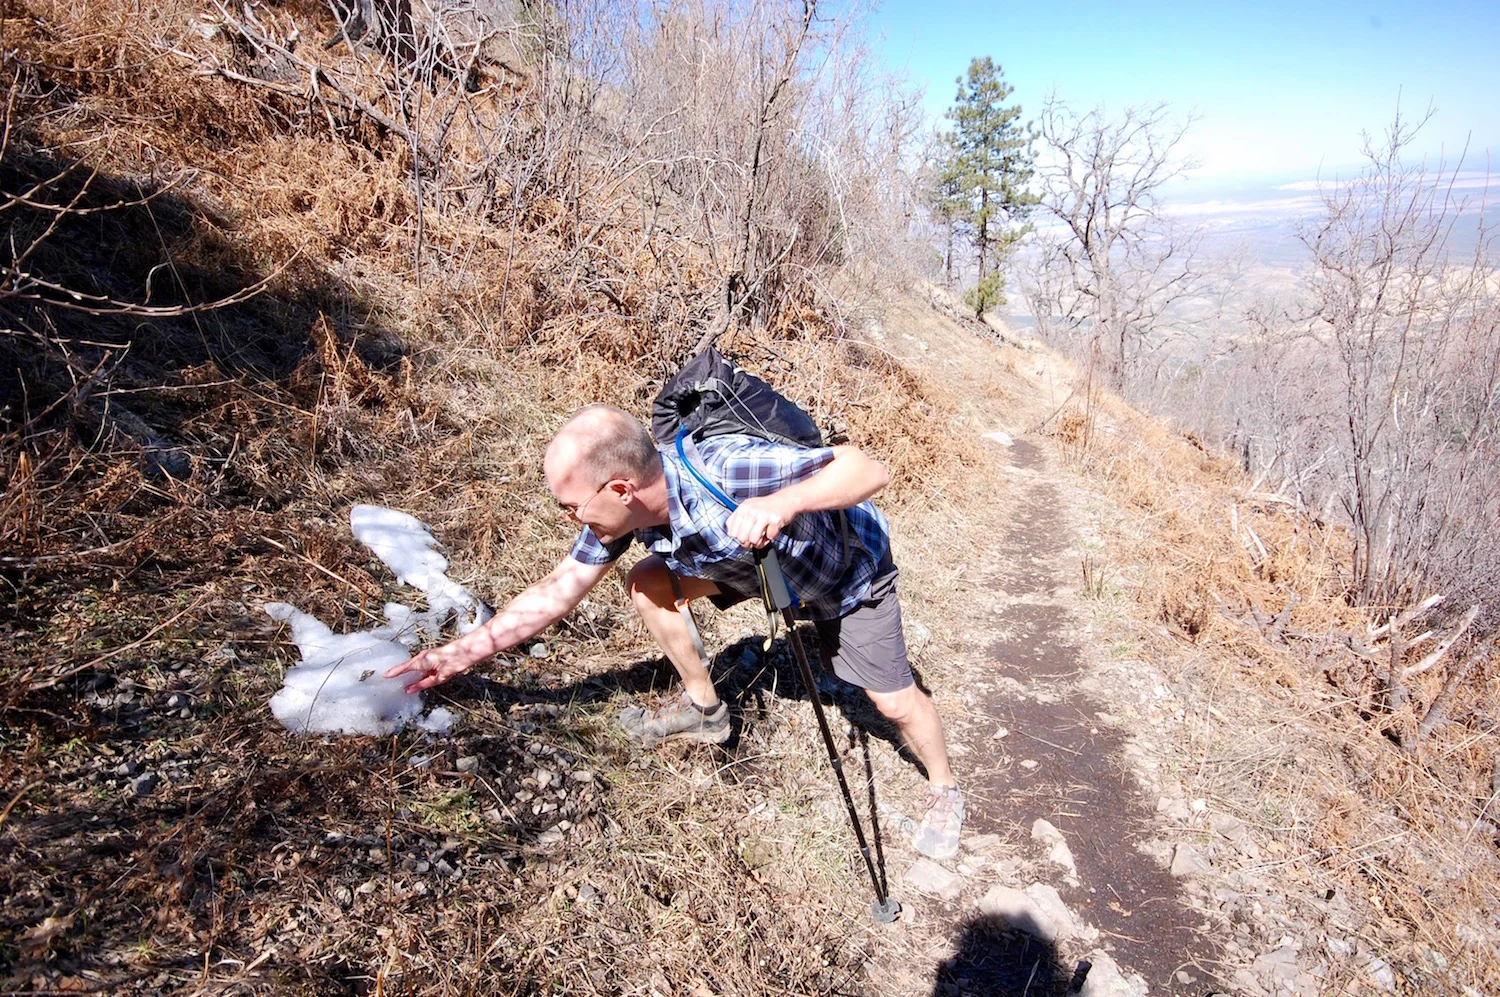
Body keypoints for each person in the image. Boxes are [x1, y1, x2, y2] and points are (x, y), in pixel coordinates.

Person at [385, 404, 965, 859]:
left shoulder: (724, 468)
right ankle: (705, 708)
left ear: (619, 489)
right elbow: (555, 591)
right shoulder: (625, 517)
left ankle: (944, 789)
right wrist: (460, 654)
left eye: (571, 507)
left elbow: (868, 468)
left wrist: (782, 504)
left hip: (845, 573)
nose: (570, 520)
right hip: (750, 564)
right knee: (647, 580)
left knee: (891, 701)